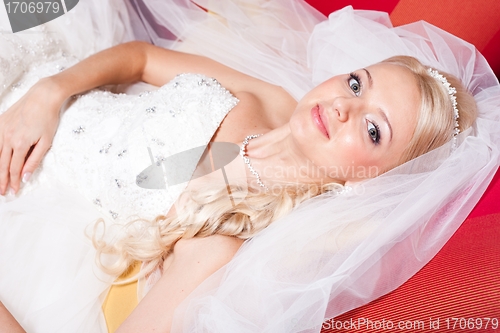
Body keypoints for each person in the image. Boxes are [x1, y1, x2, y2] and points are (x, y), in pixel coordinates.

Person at [0, 0, 498, 332]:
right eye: (356, 84)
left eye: (373, 131)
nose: (345, 108)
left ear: (375, 181)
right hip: (45, 93)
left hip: (20, 181)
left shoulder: (228, 238)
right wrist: (52, 91)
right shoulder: (273, 96)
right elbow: (143, 59)